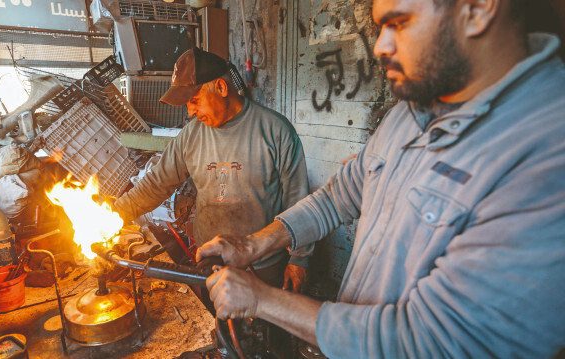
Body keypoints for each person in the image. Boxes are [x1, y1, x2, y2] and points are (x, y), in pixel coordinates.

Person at [196, 0, 565, 357]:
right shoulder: (409, 111)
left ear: (479, 8)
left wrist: (262, 299)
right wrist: (254, 246)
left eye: (399, 23)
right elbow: (341, 195)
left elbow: (432, 342)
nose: (380, 46)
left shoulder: (546, 154)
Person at [114, 47, 313, 290]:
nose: (190, 111)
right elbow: (156, 183)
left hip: (264, 266)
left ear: (221, 87)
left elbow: (299, 200)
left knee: (264, 327)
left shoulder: (276, 131)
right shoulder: (191, 135)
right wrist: (114, 214)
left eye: (194, 100)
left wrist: (299, 259)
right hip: (210, 263)